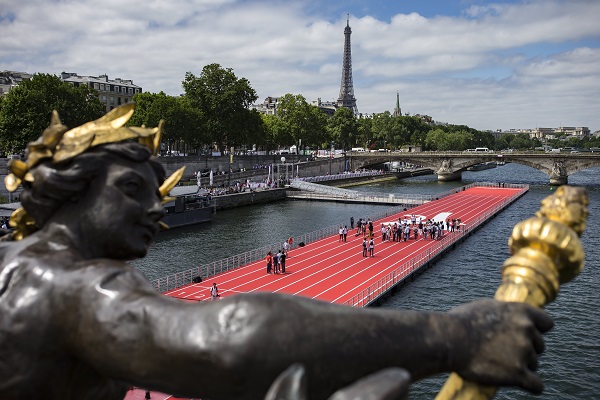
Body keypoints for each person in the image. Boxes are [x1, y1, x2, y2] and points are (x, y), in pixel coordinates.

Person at [0, 104, 554, 400]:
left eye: (160, 193)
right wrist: (454, 336)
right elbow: (232, 338)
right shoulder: (71, 287)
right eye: (132, 188)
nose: (156, 210)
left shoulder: (15, 262)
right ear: (69, 187)